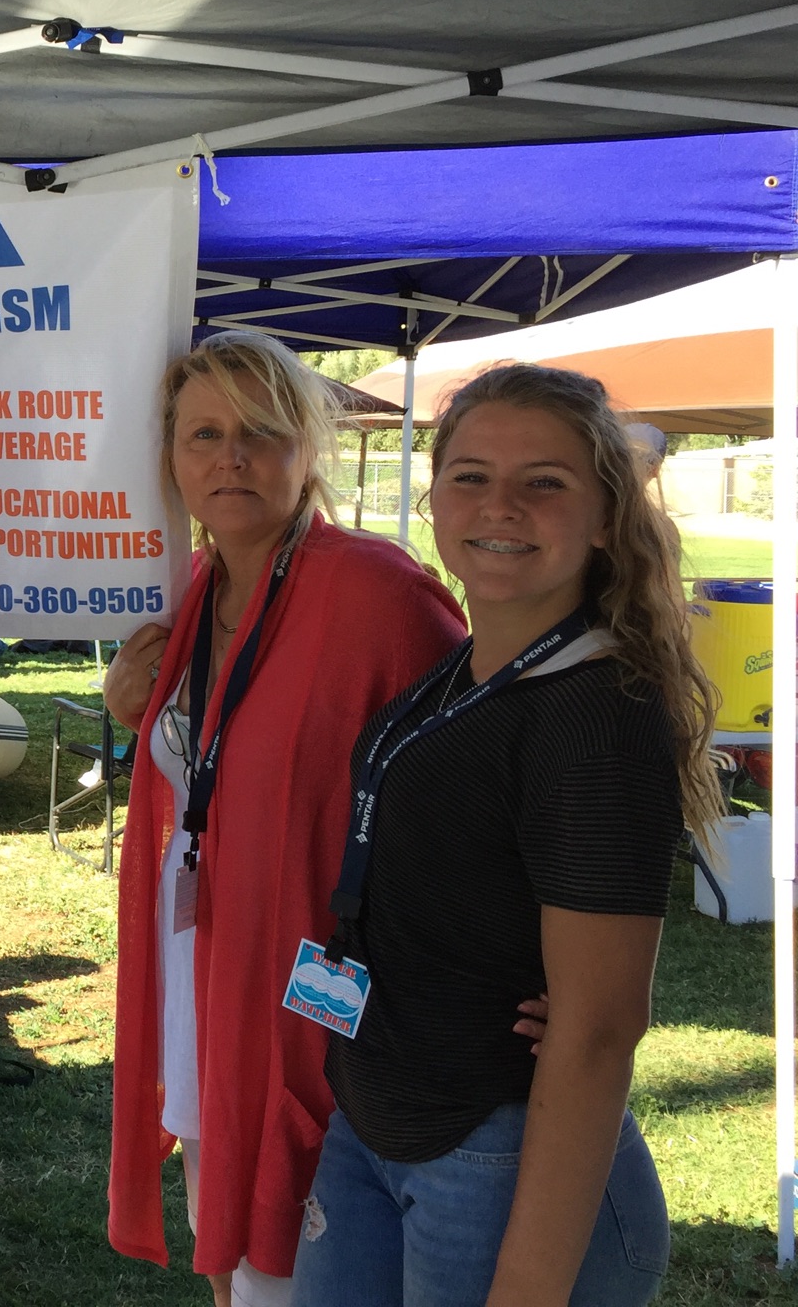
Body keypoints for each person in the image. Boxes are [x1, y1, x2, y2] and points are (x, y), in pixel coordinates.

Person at [292, 363, 711, 1304]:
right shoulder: (468, 672)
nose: (501, 505)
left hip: (494, 1147)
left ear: (605, 517)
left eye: (545, 482)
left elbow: (599, 1029)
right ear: (434, 499)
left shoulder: (593, 710)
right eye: (470, 475)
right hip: (375, 1117)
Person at [103, 331, 467, 1306]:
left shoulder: (375, 592)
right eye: (203, 434)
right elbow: (207, 772)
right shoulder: (184, 593)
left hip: (311, 993)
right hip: (201, 977)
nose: (230, 457)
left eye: (260, 432)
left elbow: (476, 777)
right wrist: (132, 713)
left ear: (306, 447)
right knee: (221, 1238)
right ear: (170, 458)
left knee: (292, 1257)